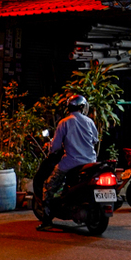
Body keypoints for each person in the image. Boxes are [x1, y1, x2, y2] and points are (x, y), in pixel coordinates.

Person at [37, 94, 98, 231]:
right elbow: (95, 140)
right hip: (90, 163)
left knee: (48, 186)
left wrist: (52, 149)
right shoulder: (89, 122)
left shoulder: (64, 122)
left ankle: (47, 221)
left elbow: (55, 147)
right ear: (82, 107)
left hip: (71, 163)